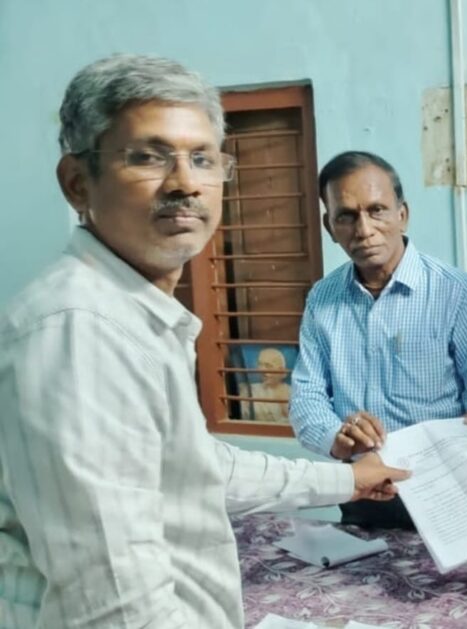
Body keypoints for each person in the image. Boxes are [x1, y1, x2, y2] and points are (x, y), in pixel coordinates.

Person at [0, 54, 409, 628]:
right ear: (77, 182)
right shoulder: (80, 333)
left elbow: (194, 466)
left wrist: (348, 480)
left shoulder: (136, 314)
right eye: (148, 156)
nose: (185, 183)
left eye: (202, 158)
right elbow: (117, 610)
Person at [290, 150, 467, 528]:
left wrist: (446, 443)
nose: (364, 229)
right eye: (346, 216)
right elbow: (306, 398)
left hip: (450, 496)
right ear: (330, 226)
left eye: (376, 210)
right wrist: (339, 439)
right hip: (363, 495)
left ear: (402, 214)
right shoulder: (322, 299)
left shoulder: (455, 292)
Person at [240, 347, 292, 422]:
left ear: (282, 371)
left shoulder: (292, 393)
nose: (262, 370)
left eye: (268, 366)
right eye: (260, 365)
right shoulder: (250, 391)